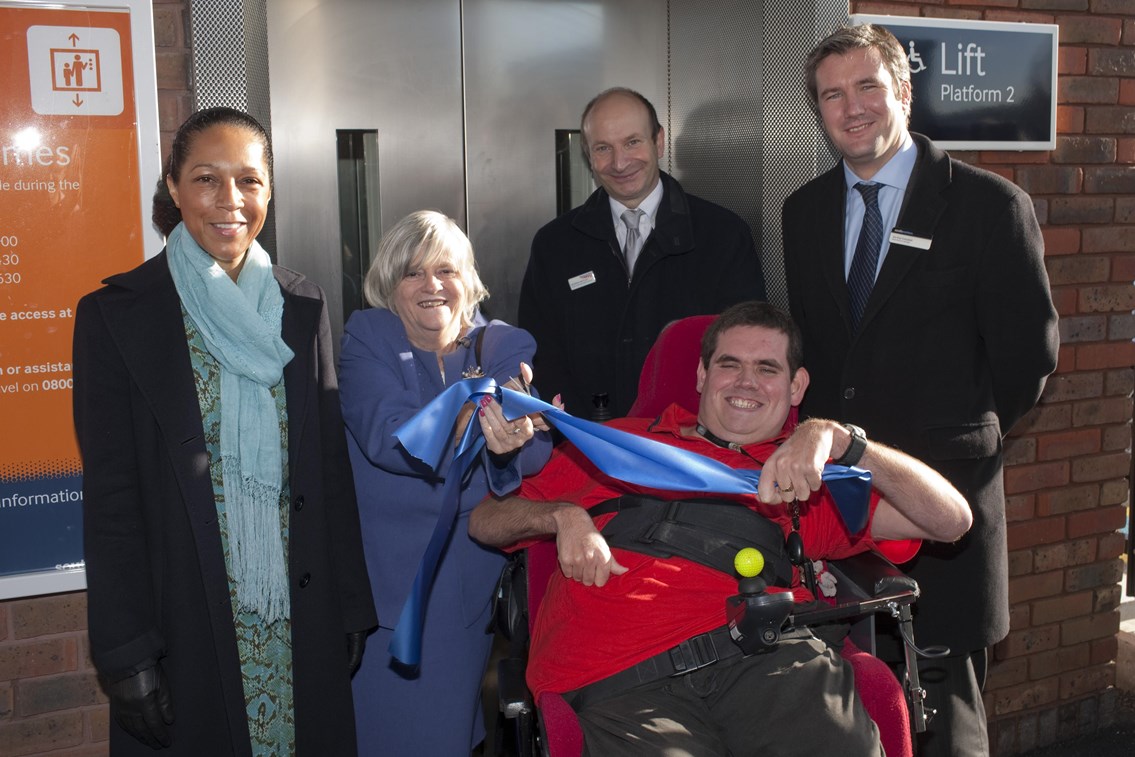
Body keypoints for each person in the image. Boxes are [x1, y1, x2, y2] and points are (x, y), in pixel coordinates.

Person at [470, 301, 972, 756]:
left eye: (767, 369)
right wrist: (562, 516)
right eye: (729, 364)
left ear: (796, 387)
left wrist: (841, 440)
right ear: (702, 374)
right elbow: (485, 520)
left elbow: (952, 519)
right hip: (623, 678)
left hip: (766, 660)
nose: (745, 382)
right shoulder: (618, 442)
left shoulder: (808, 478)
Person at [781, 24, 1060, 757]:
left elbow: (1025, 361)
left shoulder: (987, 207)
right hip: (836, 513)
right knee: (847, 709)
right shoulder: (801, 212)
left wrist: (950, 440)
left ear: (903, 91)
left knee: (943, 718)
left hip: (943, 511)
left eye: (868, 86)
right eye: (832, 94)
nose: (852, 107)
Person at [73, 107, 377, 756]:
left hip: (298, 614)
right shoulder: (115, 316)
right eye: (207, 179)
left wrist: (350, 604)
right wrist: (125, 648)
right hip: (185, 615)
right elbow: (110, 498)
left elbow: (327, 470)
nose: (230, 201)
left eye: (249, 180)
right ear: (174, 187)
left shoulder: (303, 305)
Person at [339, 210, 553, 755]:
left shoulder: (502, 345)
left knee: (445, 737)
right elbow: (386, 436)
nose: (431, 285)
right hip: (382, 583)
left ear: (468, 280)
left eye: (445, 270)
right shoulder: (368, 335)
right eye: (413, 272)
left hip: (459, 589)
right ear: (390, 283)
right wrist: (472, 416)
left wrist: (512, 441)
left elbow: (534, 453)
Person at [519, 86, 765, 419]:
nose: (620, 163)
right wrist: (576, 435)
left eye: (633, 142)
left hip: (692, 446)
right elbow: (541, 356)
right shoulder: (554, 245)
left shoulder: (722, 235)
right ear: (588, 156)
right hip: (586, 446)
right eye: (603, 148)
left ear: (659, 142)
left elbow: (747, 349)